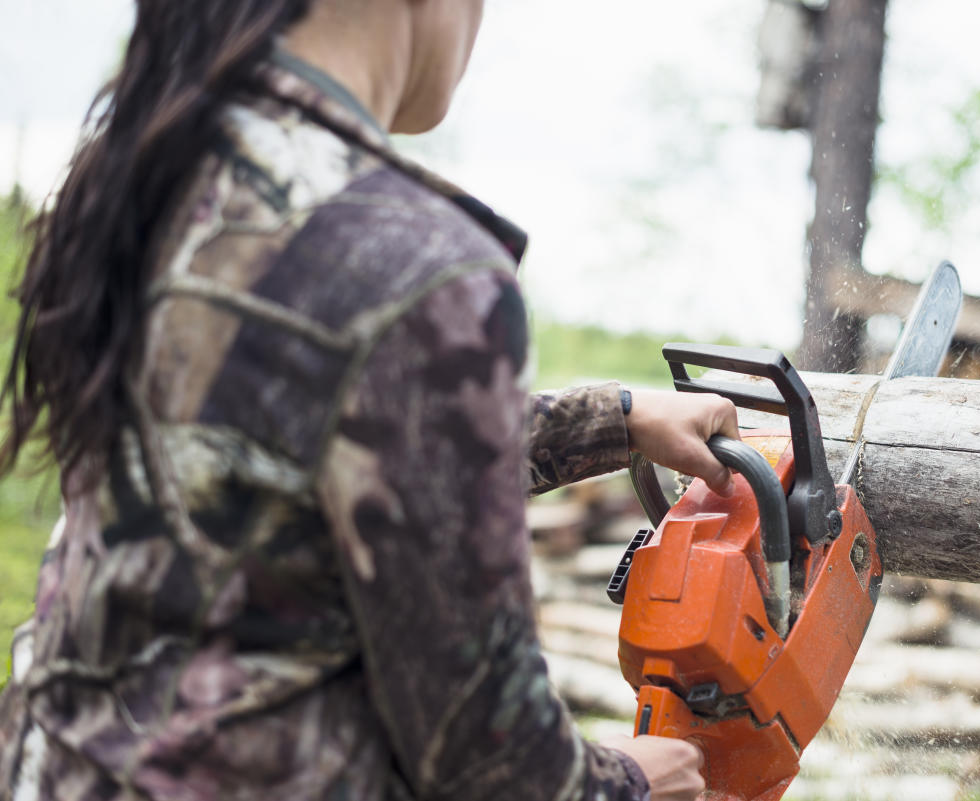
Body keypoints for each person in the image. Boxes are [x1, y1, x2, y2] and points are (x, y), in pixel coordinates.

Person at [0, 1, 742, 800]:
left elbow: (310, 432)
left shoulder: (159, 169)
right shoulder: (418, 261)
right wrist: (627, 781)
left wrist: (618, 418)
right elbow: (489, 760)